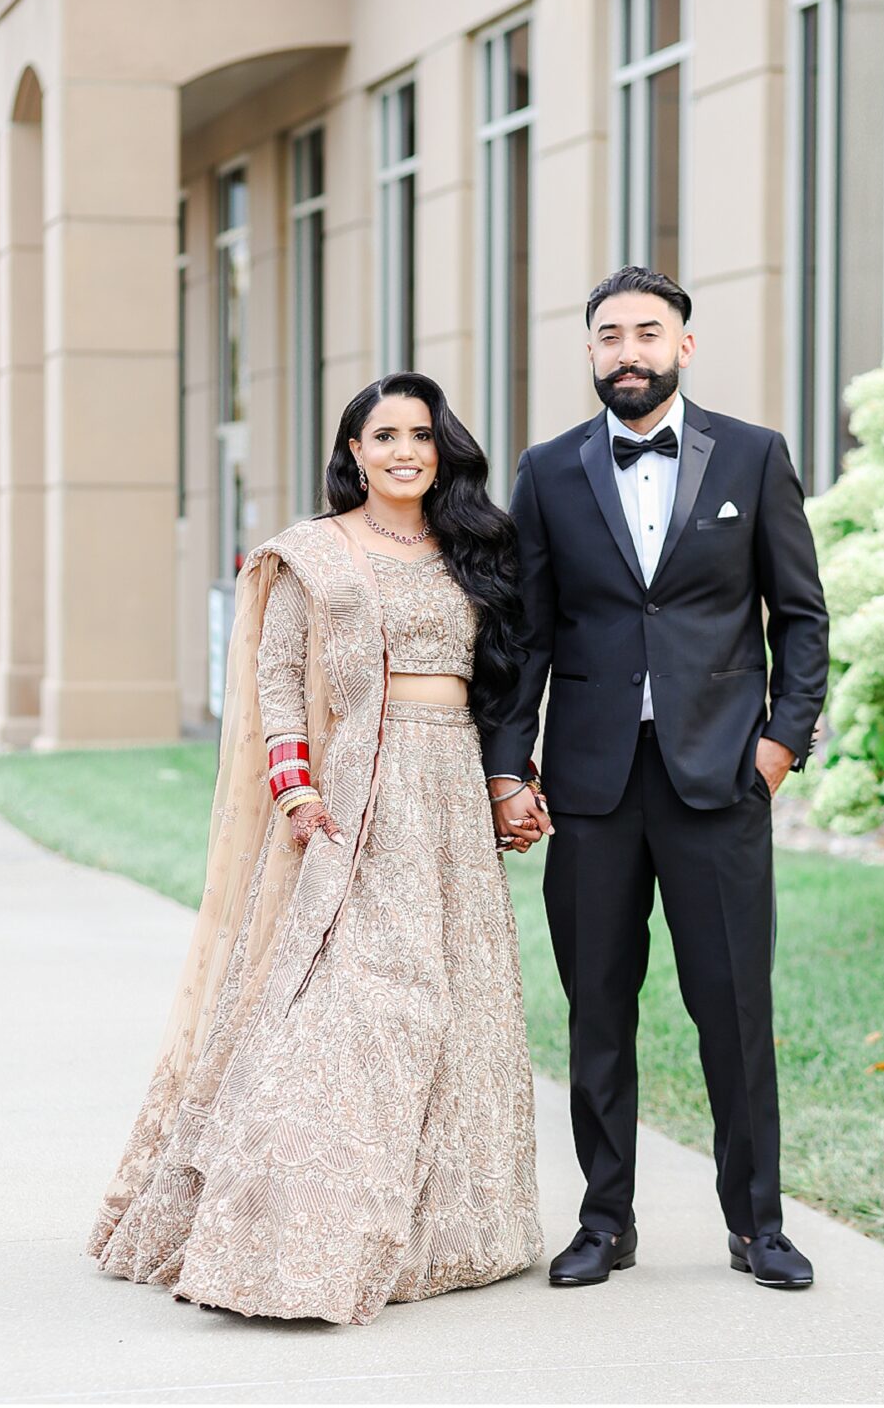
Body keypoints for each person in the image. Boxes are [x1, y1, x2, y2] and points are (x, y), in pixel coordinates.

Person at [88, 372, 543, 1324]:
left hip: (450, 800)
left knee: (451, 1008)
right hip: (354, 807)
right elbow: (279, 683)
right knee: (352, 1012)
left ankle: (444, 1229)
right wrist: (295, 788)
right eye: (384, 435)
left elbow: (503, 685)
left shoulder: (476, 549)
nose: (405, 450)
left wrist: (512, 784)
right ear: (354, 452)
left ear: (442, 446)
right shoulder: (313, 556)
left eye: (421, 433)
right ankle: (284, 1234)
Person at [483, 266, 829, 1291]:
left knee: (731, 1006)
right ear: (588, 351)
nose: (625, 350)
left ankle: (756, 1223)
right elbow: (523, 636)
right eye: (606, 335)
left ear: (684, 345)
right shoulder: (546, 472)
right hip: (589, 788)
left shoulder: (755, 457)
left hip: (720, 781)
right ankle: (604, 1220)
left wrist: (778, 744)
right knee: (597, 1009)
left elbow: (799, 616)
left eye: (646, 332)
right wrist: (508, 766)